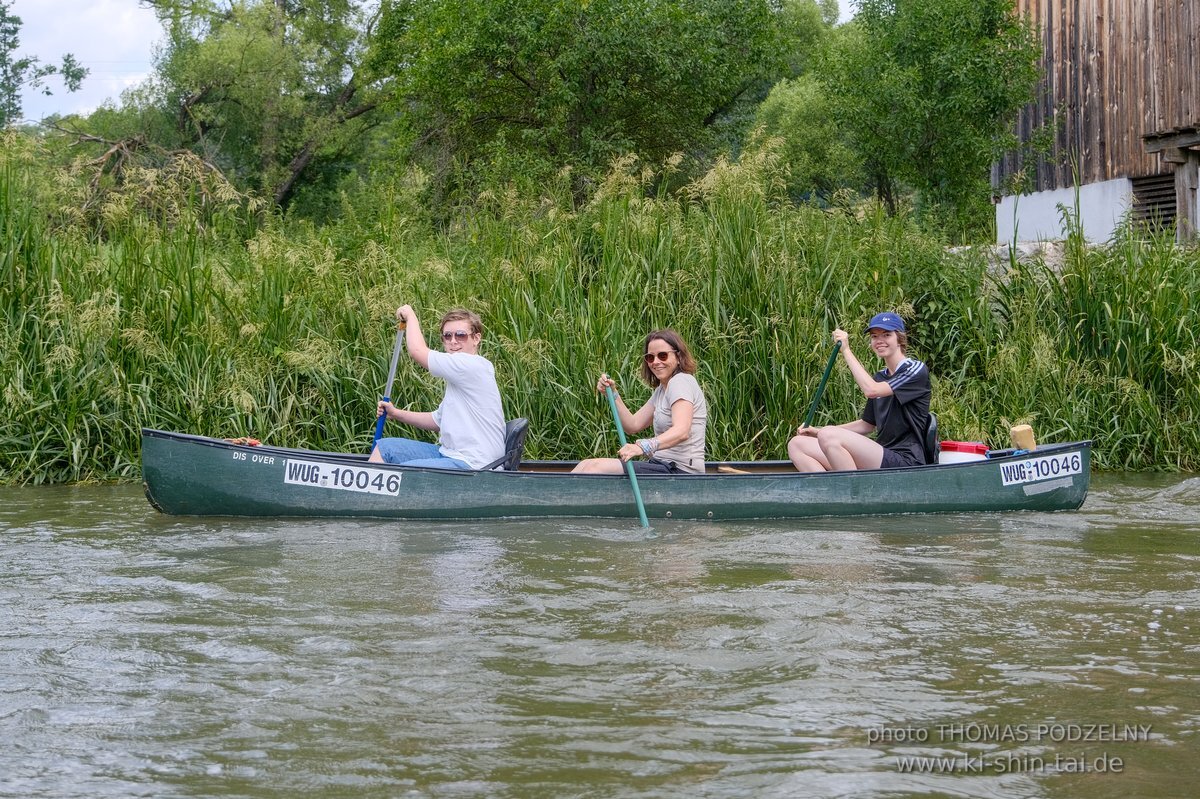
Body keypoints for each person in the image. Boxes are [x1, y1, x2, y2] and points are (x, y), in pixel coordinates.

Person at [787, 312, 931, 472]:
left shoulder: (915, 370)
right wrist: (817, 431)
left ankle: (855, 493)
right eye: (875, 336)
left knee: (829, 436)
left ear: (900, 339)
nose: (879, 340)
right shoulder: (881, 376)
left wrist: (846, 351)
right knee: (797, 444)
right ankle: (829, 493)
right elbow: (867, 425)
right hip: (881, 454)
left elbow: (872, 390)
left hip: (907, 461)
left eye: (887, 335)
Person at [368, 305, 506, 469]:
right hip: (449, 454)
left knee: (406, 472)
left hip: (475, 464)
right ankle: (369, 494)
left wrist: (411, 315)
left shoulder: (471, 365)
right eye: (447, 336)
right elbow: (437, 420)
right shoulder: (459, 378)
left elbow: (417, 351)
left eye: (461, 335)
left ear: (476, 338)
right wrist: (395, 413)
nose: (453, 341)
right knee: (385, 448)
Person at [573, 329, 707, 475]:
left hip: (681, 471)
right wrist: (613, 394)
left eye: (663, 355)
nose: (656, 362)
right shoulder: (662, 390)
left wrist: (643, 447)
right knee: (585, 465)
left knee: (594, 468)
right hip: (661, 465)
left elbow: (682, 431)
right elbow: (633, 425)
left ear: (678, 356)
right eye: (650, 357)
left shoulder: (680, 382)